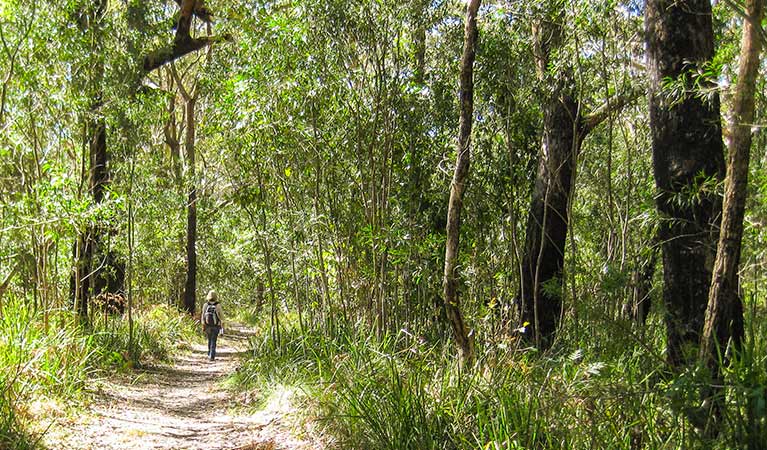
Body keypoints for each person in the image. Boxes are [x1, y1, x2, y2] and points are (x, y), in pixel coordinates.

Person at [201, 290, 223, 361]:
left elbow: (203, 315)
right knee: (214, 340)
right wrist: (222, 325)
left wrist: (203, 324)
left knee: (209, 339)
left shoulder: (205, 305)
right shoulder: (218, 305)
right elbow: (221, 316)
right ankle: (212, 355)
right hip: (216, 326)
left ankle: (209, 353)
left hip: (207, 325)